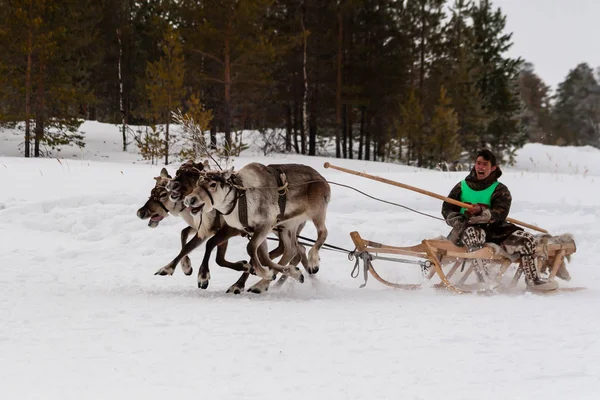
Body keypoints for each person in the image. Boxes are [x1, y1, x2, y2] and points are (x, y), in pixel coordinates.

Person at [441, 149, 558, 291]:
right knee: (474, 234)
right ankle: (484, 280)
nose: (480, 167)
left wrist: (484, 212)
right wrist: (457, 220)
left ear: (493, 168)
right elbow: (447, 208)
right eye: (478, 163)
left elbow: (501, 212)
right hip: (468, 228)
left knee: (527, 240)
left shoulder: (500, 189)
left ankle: (533, 280)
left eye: (485, 164)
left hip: (496, 230)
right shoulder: (462, 186)